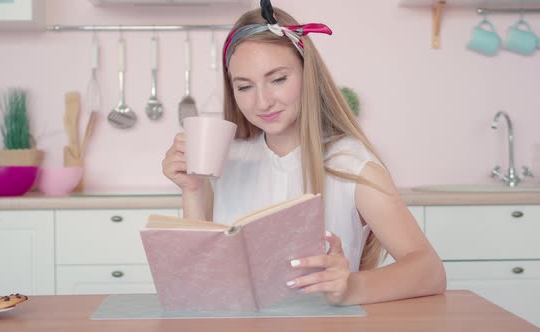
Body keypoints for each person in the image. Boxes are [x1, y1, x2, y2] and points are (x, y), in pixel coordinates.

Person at [162, 0, 446, 306]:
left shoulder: (350, 165)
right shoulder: (229, 159)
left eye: (278, 79)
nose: (262, 102)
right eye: (244, 87)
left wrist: (350, 287)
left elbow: (430, 271)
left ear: (307, 73)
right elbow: (199, 282)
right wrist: (193, 189)